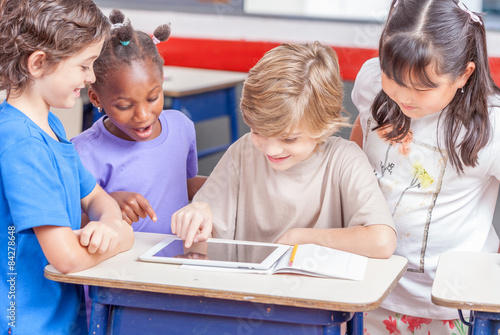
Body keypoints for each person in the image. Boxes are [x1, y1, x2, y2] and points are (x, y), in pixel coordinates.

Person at [350, 0, 500, 333]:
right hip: (371, 288)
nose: (404, 97)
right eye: (393, 79)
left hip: (454, 303)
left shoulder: (491, 123)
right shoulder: (371, 81)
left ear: (464, 74)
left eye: (422, 88)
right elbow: (358, 140)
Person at [170, 42, 397, 260]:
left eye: (289, 138)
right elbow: (200, 248)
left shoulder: (345, 160)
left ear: (323, 125)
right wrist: (198, 219)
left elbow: (382, 241)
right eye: (257, 131)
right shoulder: (243, 152)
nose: (271, 148)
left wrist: (304, 238)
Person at [0, 1, 134, 334]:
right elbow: (67, 258)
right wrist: (123, 236)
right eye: (84, 65)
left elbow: (97, 199)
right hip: (26, 324)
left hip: (58, 319)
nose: (90, 77)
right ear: (38, 63)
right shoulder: (21, 143)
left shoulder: (51, 126)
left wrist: (107, 225)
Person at [72, 9, 205, 233]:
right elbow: (68, 224)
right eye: (125, 106)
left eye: (153, 98)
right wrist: (107, 207)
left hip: (176, 259)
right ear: (96, 98)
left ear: (161, 81)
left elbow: (181, 184)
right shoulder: (83, 153)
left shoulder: (182, 127)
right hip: (118, 265)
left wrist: (228, 183)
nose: (143, 115)